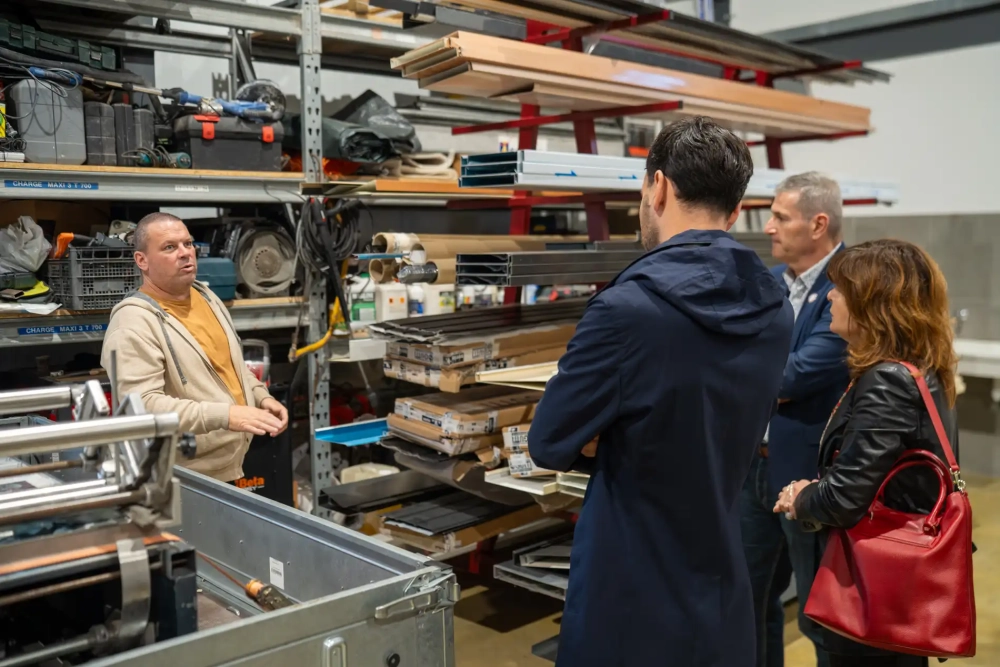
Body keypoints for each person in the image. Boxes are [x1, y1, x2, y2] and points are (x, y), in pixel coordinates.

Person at [528, 116, 794, 667]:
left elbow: (548, 441)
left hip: (629, 603)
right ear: (736, 209)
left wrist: (608, 436)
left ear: (658, 187)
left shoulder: (625, 311)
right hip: (721, 592)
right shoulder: (775, 307)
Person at [774, 239, 958, 667]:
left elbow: (844, 497)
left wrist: (801, 495)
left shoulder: (887, 380)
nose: (832, 297)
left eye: (841, 289)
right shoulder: (917, 366)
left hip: (874, 585)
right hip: (894, 585)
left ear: (872, 303)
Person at [741, 172, 851, 667]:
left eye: (780, 217)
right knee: (747, 600)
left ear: (818, 223)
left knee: (819, 614)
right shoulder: (768, 283)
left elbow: (793, 377)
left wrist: (735, 371)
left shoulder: (848, 286)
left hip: (810, 477)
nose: (768, 227)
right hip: (751, 470)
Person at [101, 212, 288, 482]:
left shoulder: (206, 297)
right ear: (142, 261)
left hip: (224, 467)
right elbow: (142, 406)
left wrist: (261, 397)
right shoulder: (132, 322)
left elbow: (229, 366)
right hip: (175, 478)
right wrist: (227, 415)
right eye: (169, 247)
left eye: (188, 244)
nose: (185, 253)